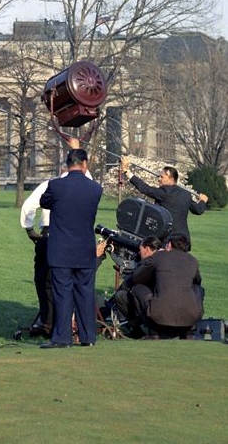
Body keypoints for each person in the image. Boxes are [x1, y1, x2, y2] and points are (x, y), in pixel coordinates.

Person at [20, 153, 93, 338]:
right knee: (78, 286)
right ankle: (82, 332)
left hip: (52, 235)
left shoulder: (52, 185)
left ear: (64, 167)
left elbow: (29, 206)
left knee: (46, 282)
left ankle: (49, 322)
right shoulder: (90, 186)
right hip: (81, 240)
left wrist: (29, 229)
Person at [38, 148, 103, 348]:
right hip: (85, 249)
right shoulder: (95, 188)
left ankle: (62, 337)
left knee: (63, 295)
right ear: (84, 164)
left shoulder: (56, 186)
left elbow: (44, 202)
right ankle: (88, 337)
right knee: (85, 294)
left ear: (67, 165)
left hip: (61, 250)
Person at [120, 157, 208, 250]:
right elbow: (198, 210)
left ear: (171, 179)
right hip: (183, 241)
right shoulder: (186, 194)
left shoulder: (164, 192)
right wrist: (203, 201)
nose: (159, 179)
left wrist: (126, 171)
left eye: (162, 177)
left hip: (168, 242)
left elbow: (144, 188)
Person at [129, 233, 204, 339]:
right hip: (191, 316)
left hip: (159, 314)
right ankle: (189, 332)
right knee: (198, 289)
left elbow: (137, 278)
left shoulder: (159, 256)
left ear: (169, 245)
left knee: (138, 289)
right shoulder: (193, 260)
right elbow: (197, 281)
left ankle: (153, 333)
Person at [110, 236, 163, 338]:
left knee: (122, 295)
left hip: (153, 302)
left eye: (140, 249)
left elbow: (134, 280)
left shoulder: (149, 263)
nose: (139, 252)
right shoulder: (165, 259)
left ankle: (138, 330)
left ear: (147, 249)